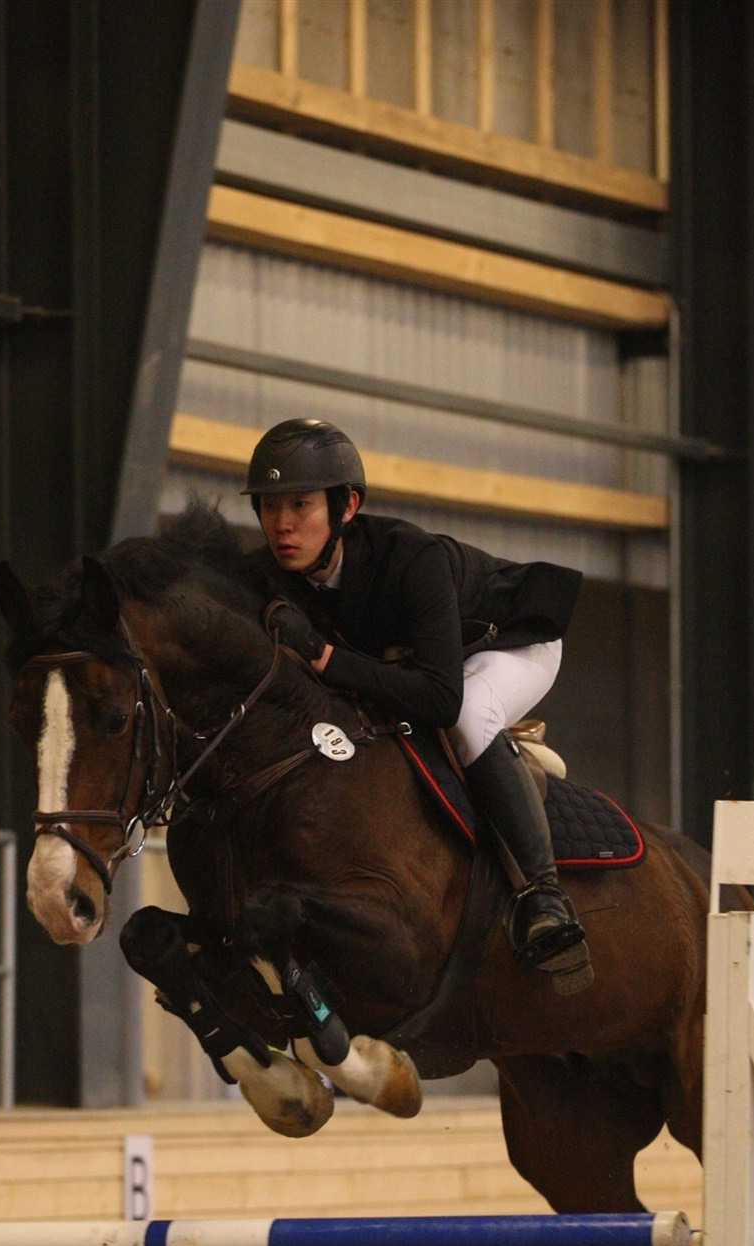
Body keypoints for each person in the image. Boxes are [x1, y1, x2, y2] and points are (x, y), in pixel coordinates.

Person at [241, 417, 590, 980]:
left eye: (300, 505)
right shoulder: (267, 572)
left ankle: (543, 895)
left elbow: (440, 698)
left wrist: (329, 659)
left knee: (471, 716)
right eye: (269, 506)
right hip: (419, 666)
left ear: (347, 506)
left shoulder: (411, 558)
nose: (282, 525)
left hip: (507, 645)